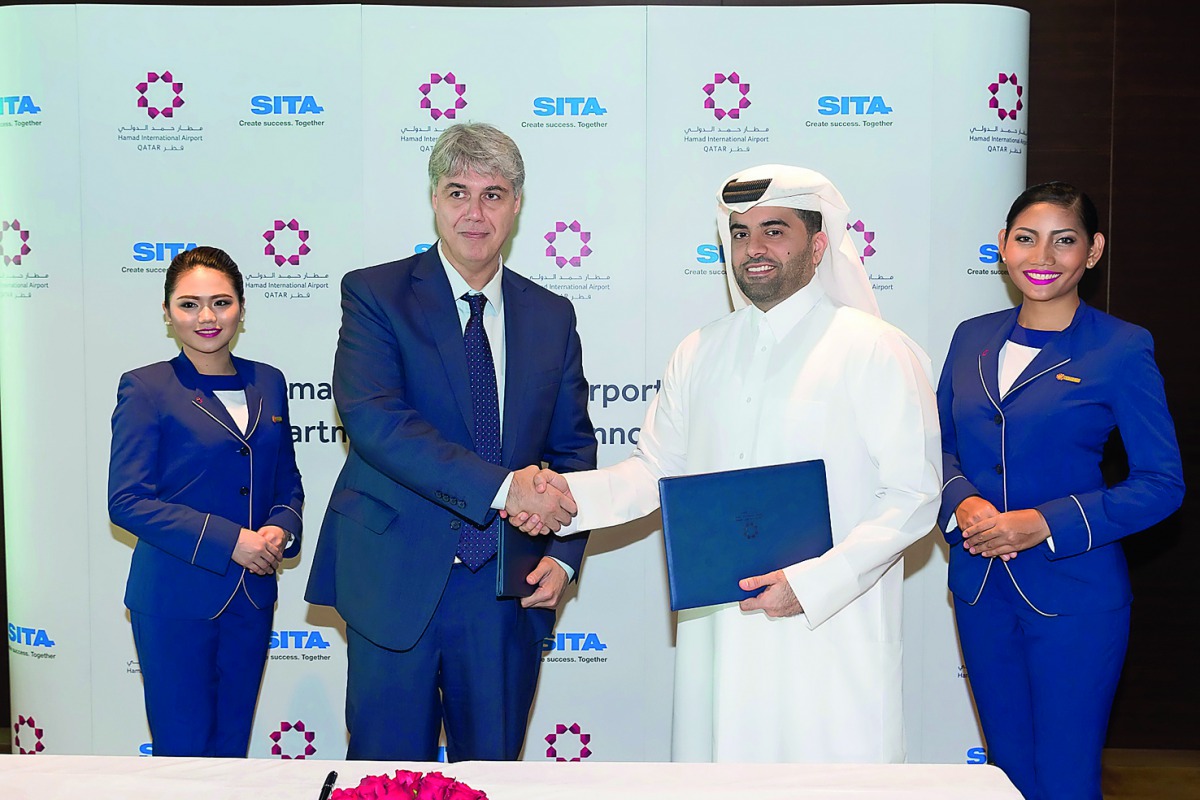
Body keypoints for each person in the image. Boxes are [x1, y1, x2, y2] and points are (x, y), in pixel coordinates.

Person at [511, 164, 941, 763]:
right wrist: (566, 497)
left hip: (832, 625)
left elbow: (914, 495)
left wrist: (812, 583)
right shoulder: (700, 350)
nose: (754, 249)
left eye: (775, 230)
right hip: (723, 623)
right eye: (740, 234)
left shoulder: (876, 349)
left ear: (818, 245)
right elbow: (655, 471)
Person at [304, 122, 596, 762]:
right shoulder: (375, 294)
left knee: (492, 773)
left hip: (504, 584)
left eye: (493, 194)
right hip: (395, 577)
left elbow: (574, 449)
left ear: (517, 205)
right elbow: (377, 422)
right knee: (384, 773)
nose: (474, 211)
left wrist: (567, 555)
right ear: (433, 198)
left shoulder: (551, 315)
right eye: (457, 191)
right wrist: (504, 487)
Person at [937, 182, 1184, 800]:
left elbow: (1162, 484)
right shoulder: (971, 337)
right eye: (1025, 238)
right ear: (1002, 246)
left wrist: (1046, 522)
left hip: (1077, 595)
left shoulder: (1122, 348)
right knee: (1007, 772)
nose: (1041, 255)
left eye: (1064, 241)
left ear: (1093, 251)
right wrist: (962, 499)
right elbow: (935, 448)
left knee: (1067, 778)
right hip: (981, 589)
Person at [108, 245, 304, 757]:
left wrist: (280, 529)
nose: (207, 317)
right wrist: (230, 540)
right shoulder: (147, 387)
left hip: (253, 596)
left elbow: (287, 483)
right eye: (189, 304)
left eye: (221, 302)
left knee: (231, 753)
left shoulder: (270, 382)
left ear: (242, 307)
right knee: (183, 754)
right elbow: (126, 500)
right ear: (168, 314)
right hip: (175, 599)